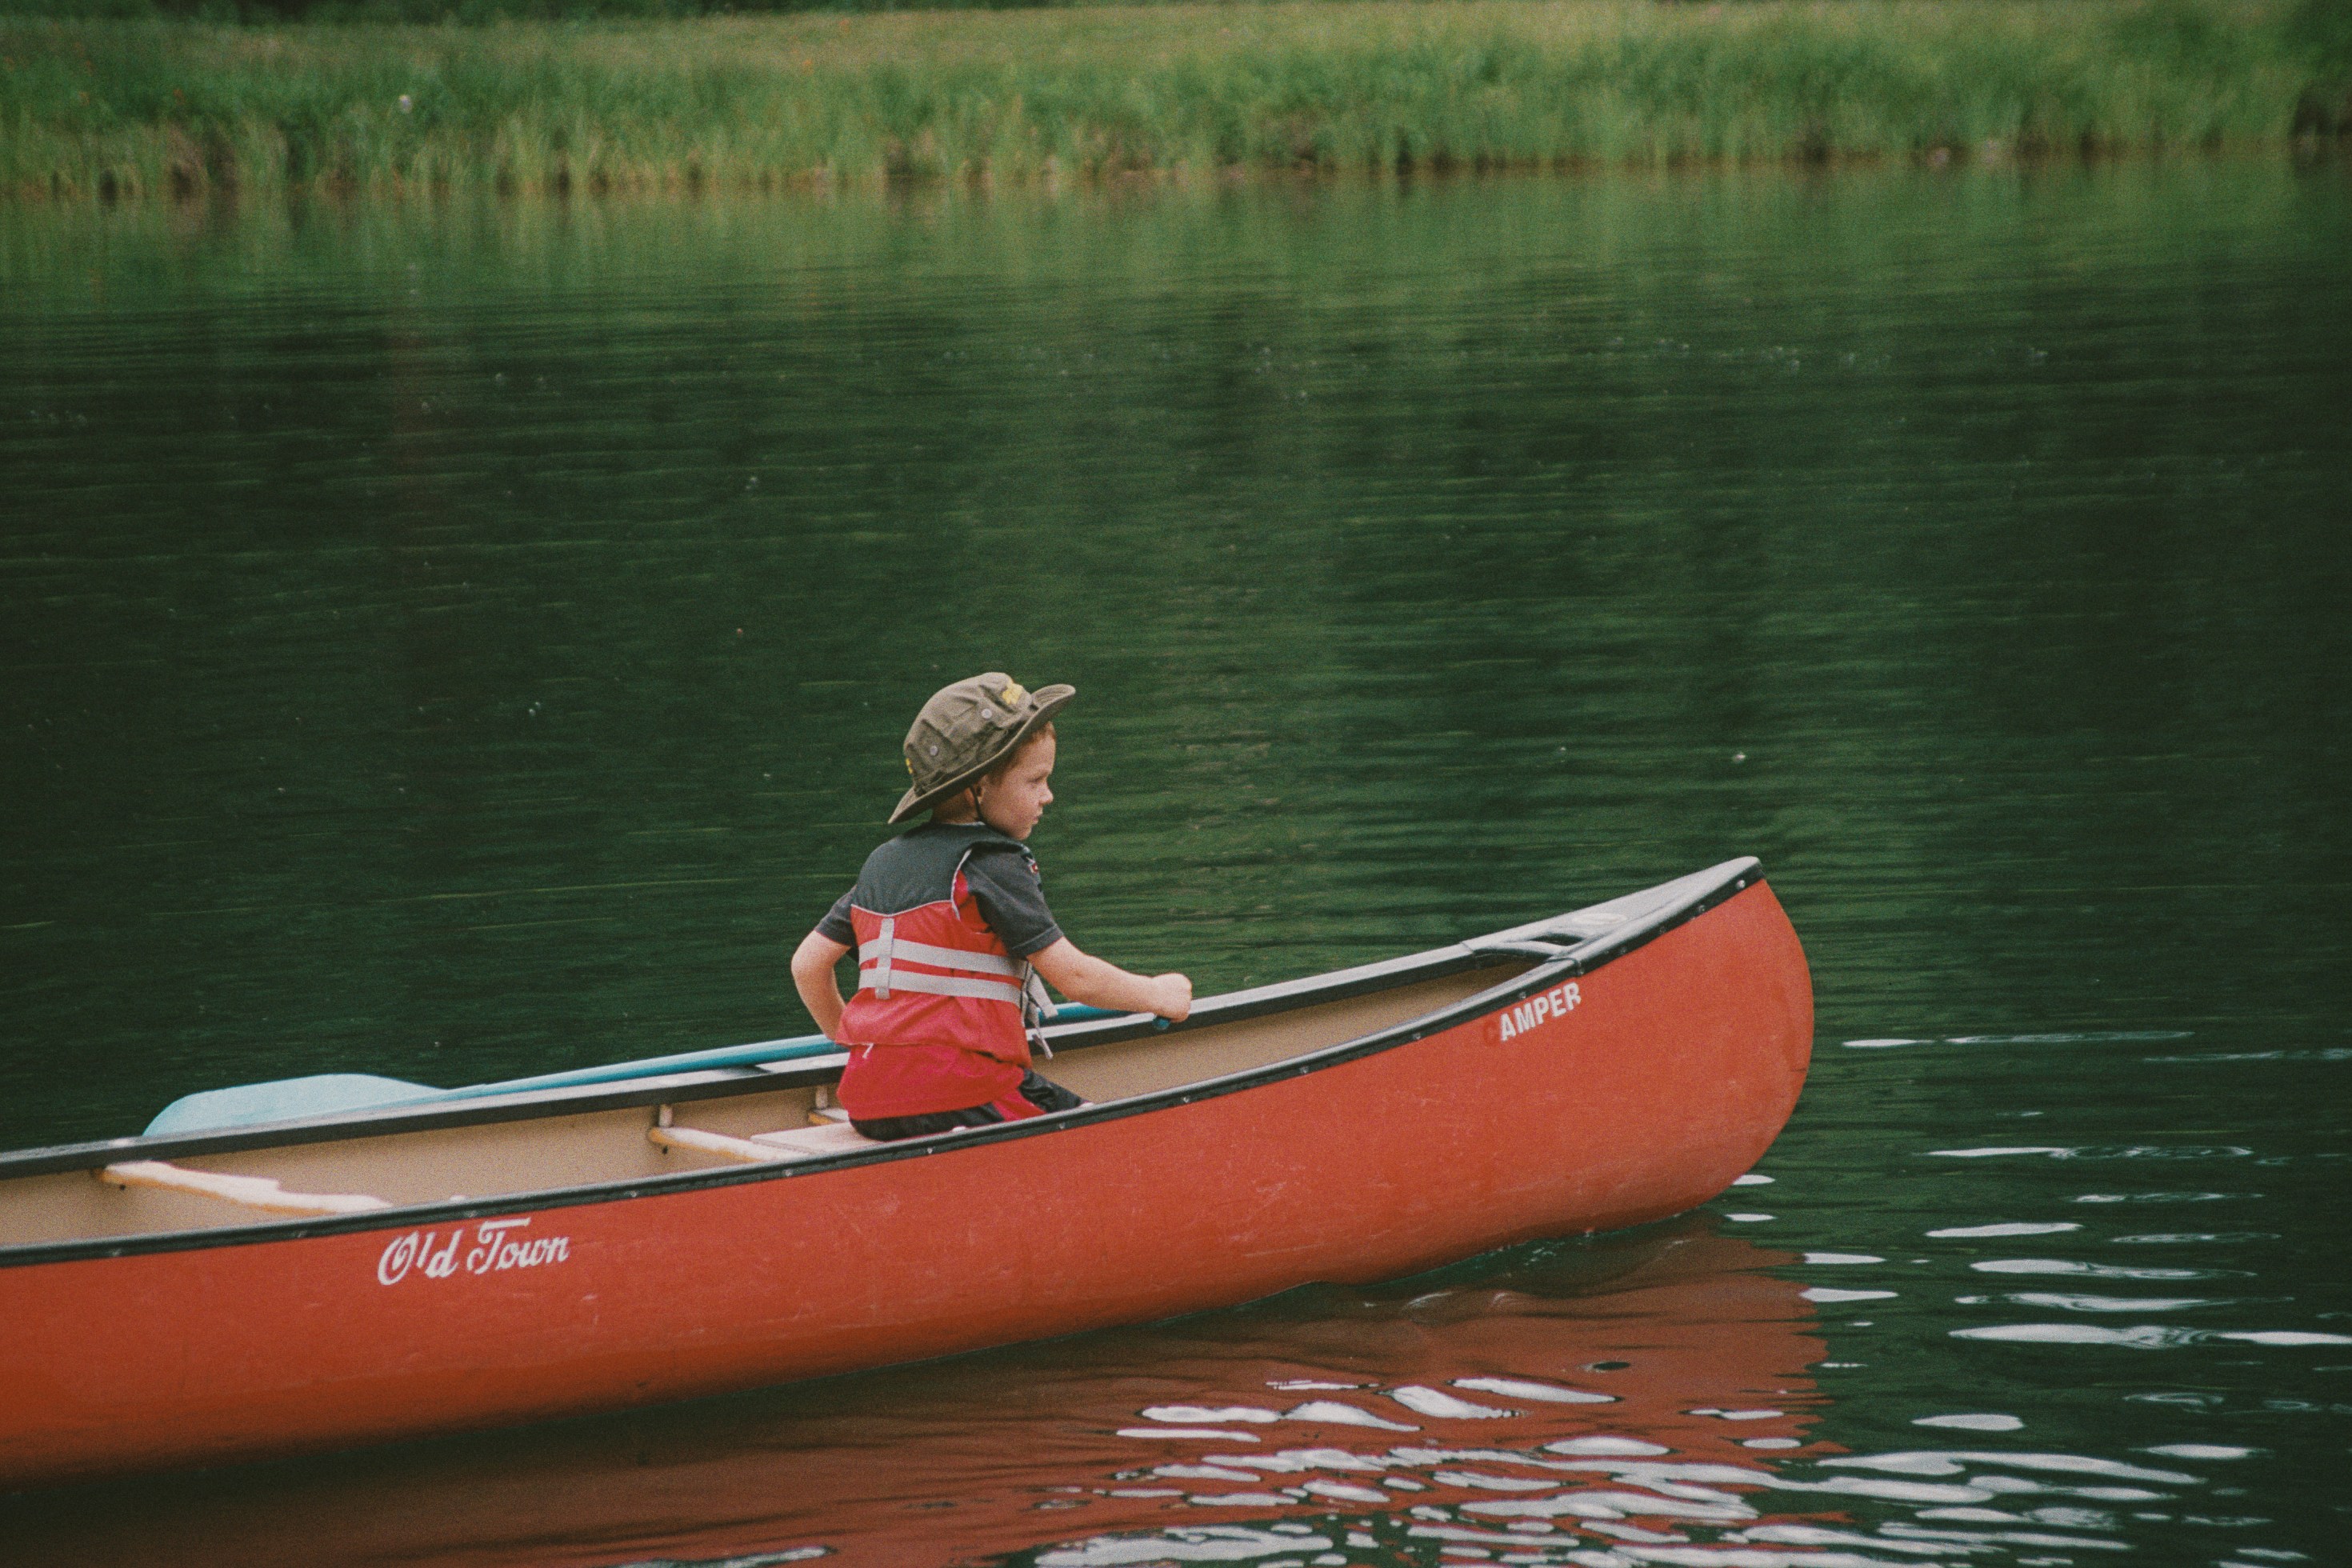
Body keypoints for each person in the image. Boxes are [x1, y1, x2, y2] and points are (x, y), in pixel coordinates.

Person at [790, 673, 1191, 1141]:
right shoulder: (991, 863)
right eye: (1035, 780)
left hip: (867, 1100)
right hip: (966, 1092)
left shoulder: (881, 865)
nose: (1048, 795)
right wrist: (1161, 994)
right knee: (1115, 1140)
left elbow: (806, 965)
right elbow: (1074, 978)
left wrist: (867, 1044)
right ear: (978, 787)